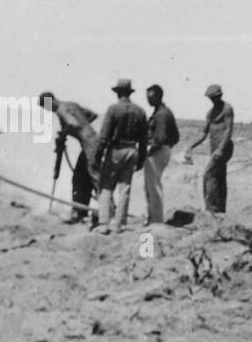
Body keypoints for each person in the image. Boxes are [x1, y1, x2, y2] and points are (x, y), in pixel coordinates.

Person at [94, 79, 149, 233]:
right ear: (129, 93)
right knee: (125, 188)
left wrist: (97, 157)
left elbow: (104, 137)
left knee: (106, 186)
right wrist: (141, 158)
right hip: (132, 150)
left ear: (118, 93)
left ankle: (104, 223)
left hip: (116, 150)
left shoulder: (113, 110)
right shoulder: (140, 111)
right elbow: (144, 139)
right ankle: (120, 224)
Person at [38, 91, 100, 225]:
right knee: (79, 177)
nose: (48, 110)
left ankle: (106, 214)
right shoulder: (71, 105)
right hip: (92, 142)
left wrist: (64, 132)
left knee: (95, 178)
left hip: (90, 146)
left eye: (46, 107)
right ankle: (80, 212)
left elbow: (73, 124)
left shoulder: (61, 110)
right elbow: (92, 115)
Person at [183, 84, 235, 216]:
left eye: (214, 97)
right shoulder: (210, 113)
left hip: (224, 148)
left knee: (209, 174)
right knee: (219, 177)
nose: (212, 100)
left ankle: (211, 209)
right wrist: (191, 145)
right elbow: (203, 133)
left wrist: (221, 149)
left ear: (220, 96)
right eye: (210, 98)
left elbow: (228, 130)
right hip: (214, 149)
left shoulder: (227, 109)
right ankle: (220, 210)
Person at [143, 84, 180, 225]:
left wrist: (152, 148)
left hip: (157, 152)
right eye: (147, 98)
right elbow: (176, 136)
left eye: (151, 97)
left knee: (153, 187)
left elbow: (159, 137)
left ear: (159, 96)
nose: (149, 100)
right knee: (151, 186)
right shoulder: (163, 112)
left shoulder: (161, 114)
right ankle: (153, 218)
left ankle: (156, 221)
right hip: (163, 150)